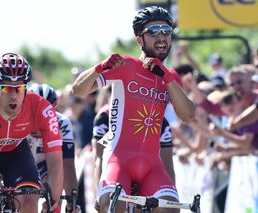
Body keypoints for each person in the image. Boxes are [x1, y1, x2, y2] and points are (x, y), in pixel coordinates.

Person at [71, 6, 195, 213]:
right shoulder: (126, 65)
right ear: (139, 40)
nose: (161, 36)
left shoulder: (171, 76)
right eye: (154, 30)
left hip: (152, 165)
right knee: (113, 205)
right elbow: (78, 90)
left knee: (170, 209)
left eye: (166, 30)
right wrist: (99, 67)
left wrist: (167, 77)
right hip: (119, 161)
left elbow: (188, 115)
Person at [0, 53, 63, 213]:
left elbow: (55, 162)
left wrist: (53, 202)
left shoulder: (41, 109)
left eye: (19, 88)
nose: (14, 95)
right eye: (7, 88)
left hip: (16, 154)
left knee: (29, 202)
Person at [27, 83, 80, 212]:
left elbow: (68, 164)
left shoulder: (62, 122)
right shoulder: (17, 120)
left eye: (46, 112)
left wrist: (71, 200)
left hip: (46, 167)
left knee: (56, 182)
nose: (41, 118)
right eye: (36, 112)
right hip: (22, 165)